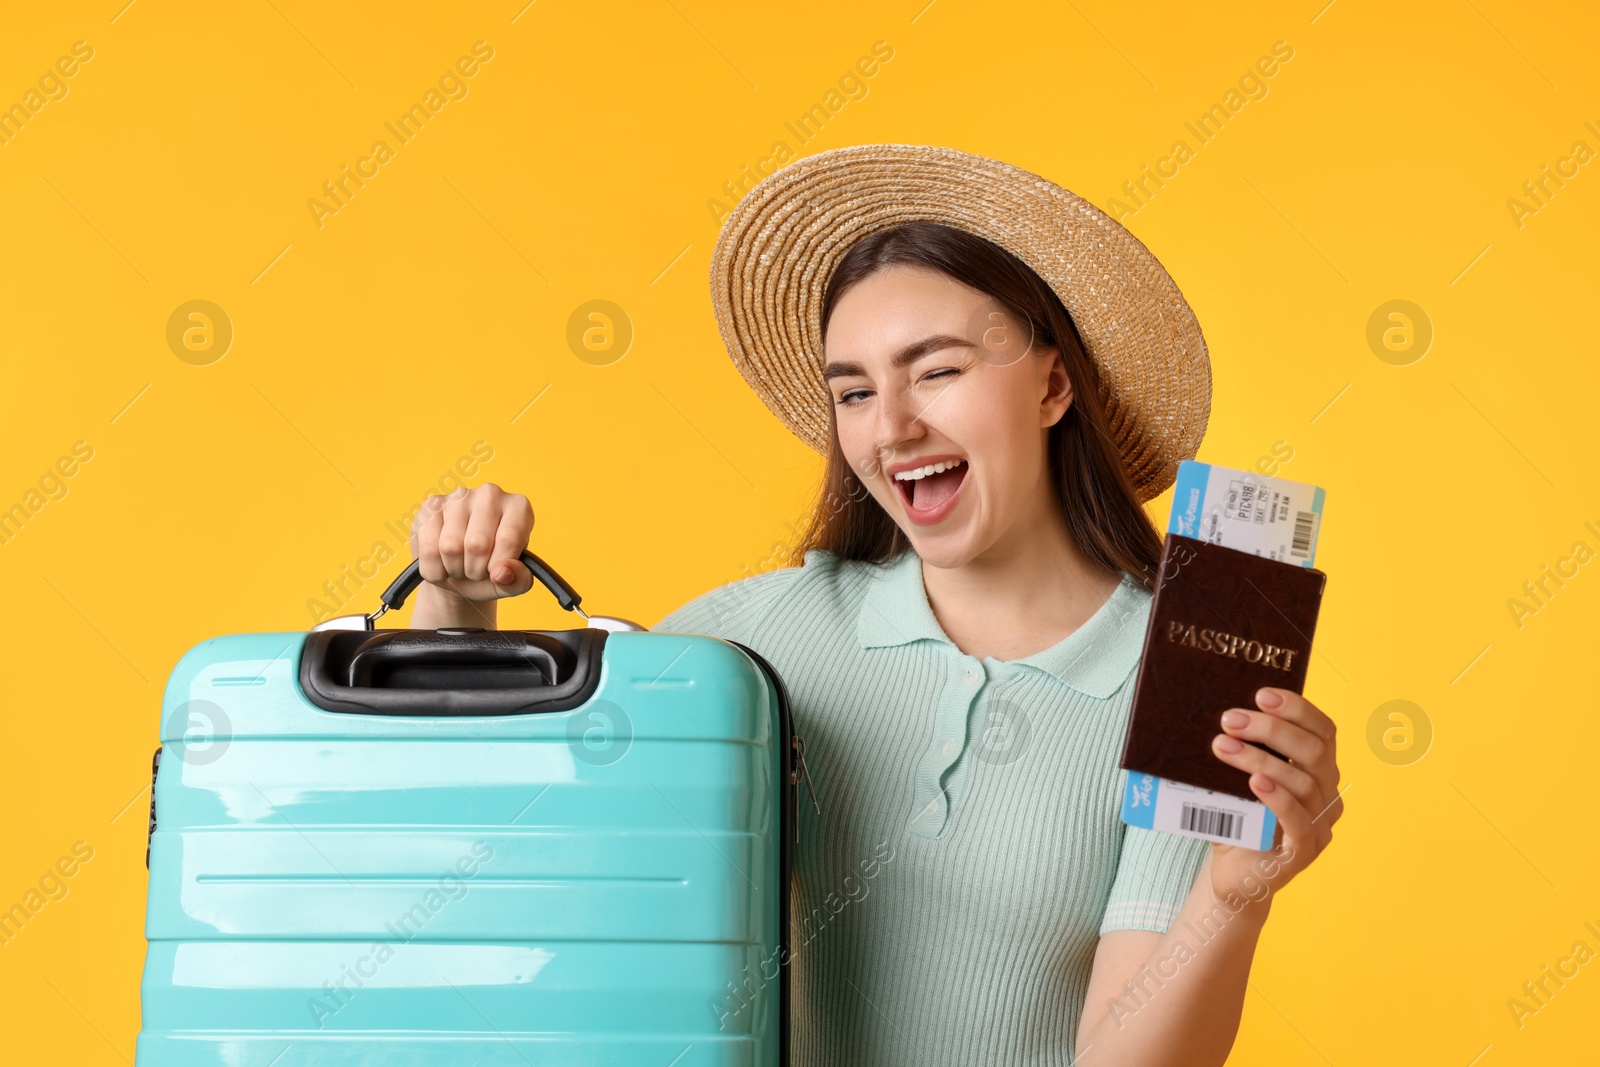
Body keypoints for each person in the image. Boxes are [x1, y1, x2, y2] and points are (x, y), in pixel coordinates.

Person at [405, 144, 1343, 1066]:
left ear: (1054, 384)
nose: (891, 427)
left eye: (936, 371)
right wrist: (456, 600)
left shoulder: (1190, 680)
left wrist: (1233, 896)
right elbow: (503, 831)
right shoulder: (762, 638)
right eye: (854, 390)